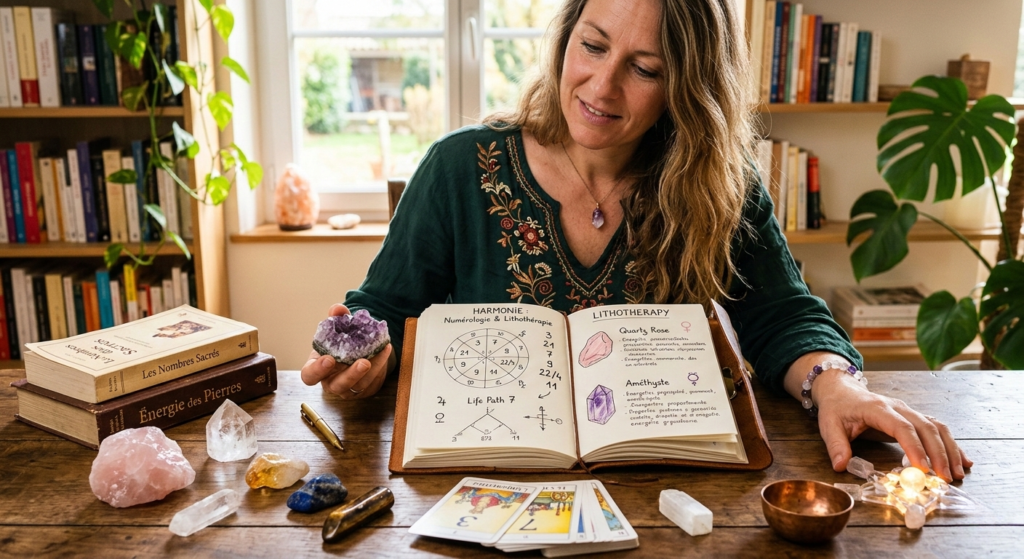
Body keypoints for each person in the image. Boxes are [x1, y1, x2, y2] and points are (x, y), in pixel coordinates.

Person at [301, 0, 971, 481]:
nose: (602, 86)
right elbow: (384, 309)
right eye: (593, 46)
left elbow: (782, 317)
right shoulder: (458, 167)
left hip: (670, 491)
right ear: (565, 38)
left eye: (645, 68)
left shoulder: (721, 184)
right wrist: (363, 361)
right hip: (485, 485)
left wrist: (836, 385)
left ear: (687, 87)